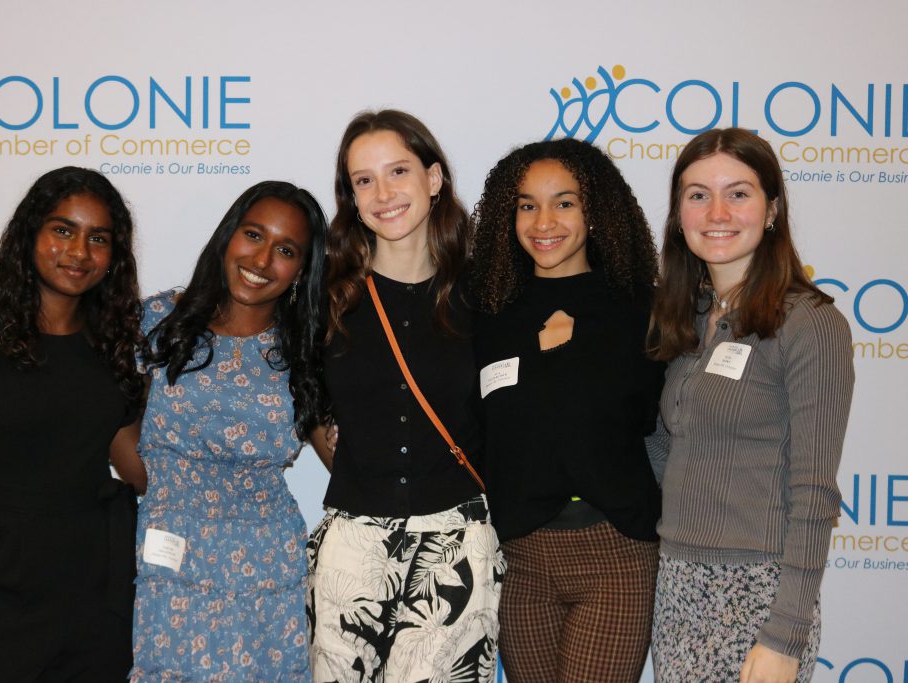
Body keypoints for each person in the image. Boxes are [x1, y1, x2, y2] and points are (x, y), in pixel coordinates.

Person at [0, 167, 146, 683]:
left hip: (97, 615)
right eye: (63, 230)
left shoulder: (113, 352)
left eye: (98, 238)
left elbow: (140, 470)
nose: (79, 251)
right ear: (30, 234)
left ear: (114, 255)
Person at [647, 128, 854, 683]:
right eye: (697, 195)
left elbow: (815, 492)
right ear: (678, 214)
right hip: (678, 584)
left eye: (738, 193)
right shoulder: (684, 319)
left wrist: (785, 634)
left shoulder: (810, 324)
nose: (717, 211)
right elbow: (669, 451)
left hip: (759, 594)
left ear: (772, 210)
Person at [306, 109, 504, 683]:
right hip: (352, 545)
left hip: (456, 544)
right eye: (364, 180)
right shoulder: (329, 297)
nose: (383, 193)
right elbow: (305, 398)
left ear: (434, 178)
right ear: (351, 196)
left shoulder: (483, 294)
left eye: (398, 171)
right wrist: (345, 456)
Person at [469, 138, 663, 683]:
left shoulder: (643, 308)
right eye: (527, 204)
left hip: (614, 552)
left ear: (596, 212)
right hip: (521, 555)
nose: (543, 221)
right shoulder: (486, 313)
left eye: (565, 202)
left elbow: (665, 426)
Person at [129, 181, 328, 682]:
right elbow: (110, 421)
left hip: (269, 563)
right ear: (228, 236)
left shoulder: (306, 351)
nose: (261, 260)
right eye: (253, 235)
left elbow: (346, 458)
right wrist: (161, 492)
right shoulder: (158, 321)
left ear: (302, 269)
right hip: (170, 554)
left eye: (285, 250)